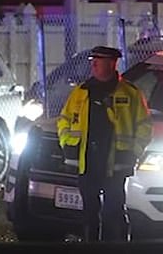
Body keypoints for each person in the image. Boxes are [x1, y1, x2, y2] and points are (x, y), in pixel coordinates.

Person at [57, 46, 152, 242]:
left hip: (117, 164)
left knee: (114, 213)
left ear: (112, 63)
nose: (93, 64)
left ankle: (118, 246)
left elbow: (144, 127)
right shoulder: (81, 92)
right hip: (86, 163)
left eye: (98, 60)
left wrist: (133, 153)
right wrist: (67, 143)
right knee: (89, 215)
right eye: (93, 60)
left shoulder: (131, 93)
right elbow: (64, 120)